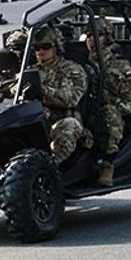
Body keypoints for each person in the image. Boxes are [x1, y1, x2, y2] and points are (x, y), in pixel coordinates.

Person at [85, 22, 131, 186]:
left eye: (97, 35)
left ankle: (108, 164)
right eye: (88, 36)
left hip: (115, 111)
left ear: (107, 38)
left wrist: (112, 102)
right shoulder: (82, 64)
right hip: (88, 108)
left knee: (109, 115)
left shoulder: (119, 65)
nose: (91, 40)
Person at [33, 26, 89, 164]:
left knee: (70, 125)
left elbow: (72, 98)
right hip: (36, 121)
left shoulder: (71, 69)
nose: (40, 51)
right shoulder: (30, 72)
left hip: (62, 121)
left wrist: (46, 91)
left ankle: (51, 168)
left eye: (45, 47)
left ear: (56, 47)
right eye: (36, 48)